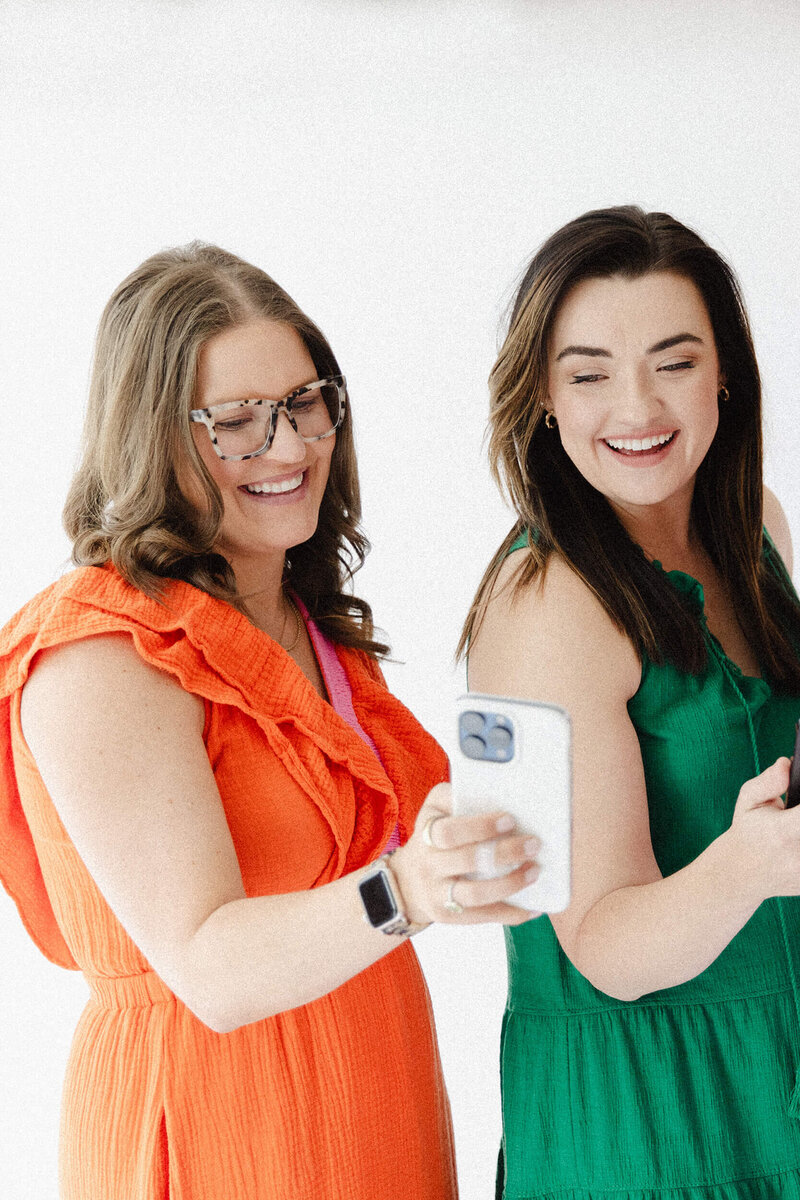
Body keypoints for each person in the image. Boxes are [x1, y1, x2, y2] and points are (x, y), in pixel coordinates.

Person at [0, 243, 541, 1200]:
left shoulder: (305, 620)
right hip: (218, 1125)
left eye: (304, 403)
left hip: (374, 1096)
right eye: (237, 424)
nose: (289, 449)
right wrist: (408, 891)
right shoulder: (97, 651)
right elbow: (210, 967)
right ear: (151, 436)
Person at [460, 206, 800, 1199]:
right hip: (650, 1121)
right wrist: (743, 866)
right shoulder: (545, 605)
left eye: (672, 360)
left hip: (769, 1065)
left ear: (724, 372)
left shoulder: (756, 528)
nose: (636, 405)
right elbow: (601, 943)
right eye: (588, 372)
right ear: (542, 400)